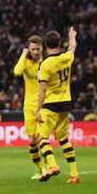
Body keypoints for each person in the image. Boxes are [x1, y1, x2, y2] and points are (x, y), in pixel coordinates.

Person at [36, 27, 80, 184]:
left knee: (42, 138)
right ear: (59, 43)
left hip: (51, 104)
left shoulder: (46, 64)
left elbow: (42, 89)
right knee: (63, 139)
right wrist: (72, 36)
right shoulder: (67, 58)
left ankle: (53, 165)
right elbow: (72, 47)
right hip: (66, 103)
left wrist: (38, 108)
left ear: (45, 45)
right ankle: (74, 174)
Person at [13, 35, 44, 180]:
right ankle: (38, 170)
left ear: (42, 48)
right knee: (31, 141)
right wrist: (23, 55)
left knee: (40, 138)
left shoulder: (46, 63)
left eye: (38, 49)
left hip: (44, 105)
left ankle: (47, 166)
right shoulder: (25, 62)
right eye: (33, 49)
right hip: (29, 106)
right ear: (29, 49)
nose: (36, 52)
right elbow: (17, 72)